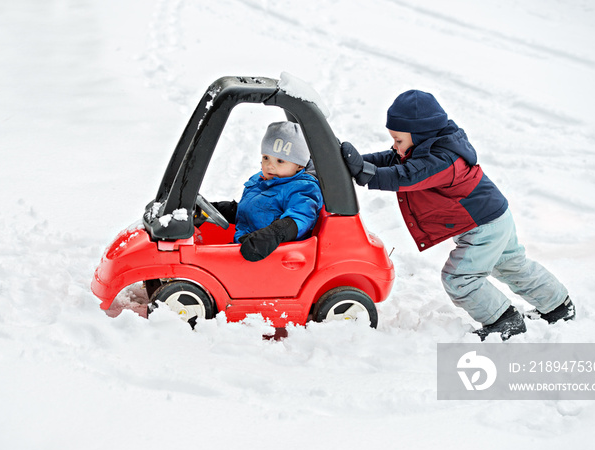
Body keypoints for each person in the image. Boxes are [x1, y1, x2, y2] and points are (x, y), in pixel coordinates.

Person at [340, 89, 574, 340]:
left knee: (459, 278)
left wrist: (367, 174)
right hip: (494, 217)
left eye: (398, 141)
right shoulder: (428, 145)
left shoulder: (444, 159)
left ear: (420, 135)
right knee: (511, 265)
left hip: (484, 226)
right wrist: (360, 163)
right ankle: (559, 306)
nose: (395, 147)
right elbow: (393, 159)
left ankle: (504, 320)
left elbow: (406, 175)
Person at [205, 121, 323, 262]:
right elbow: (253, 210)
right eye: (266, 157)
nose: (269, 166)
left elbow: (300, 218)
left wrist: (272, 235)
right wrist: (213, 209)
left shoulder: (302, 188)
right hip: (245, 249)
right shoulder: (261, 180)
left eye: (280, 161)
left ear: (299, 165)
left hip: (273, 258)